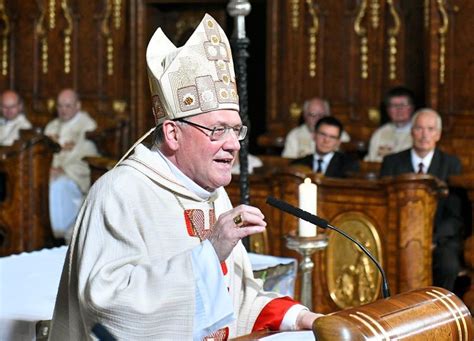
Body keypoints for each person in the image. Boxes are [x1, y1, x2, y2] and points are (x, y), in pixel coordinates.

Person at [49, 14, 322, 340]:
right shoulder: (121, 193)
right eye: (217, 129)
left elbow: (234, 297)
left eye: (236, 130)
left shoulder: (214, 194)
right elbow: (107, 308)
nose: (234, 144)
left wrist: (301, 318)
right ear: (172, 133)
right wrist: (210, 252)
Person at [380, 108, 464, 291]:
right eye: (419, 128)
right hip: (397, 238)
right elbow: (383, 210)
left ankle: (437, 312)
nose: (424, 134)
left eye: (430, 129)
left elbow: (455, 215)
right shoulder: (392, 162)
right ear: (411, 132)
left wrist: (431, 240)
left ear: (438, 134)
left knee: (448, 265)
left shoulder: (451, 164)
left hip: (439, 239)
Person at [44, 88, 98, 241]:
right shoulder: (52, 126)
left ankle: (58, 232)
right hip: (50, 172)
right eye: (60, 106)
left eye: (67, 106)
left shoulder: (87, 127)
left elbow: (88, 154)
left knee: (58, 186)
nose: (63, 110)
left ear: (78, 106)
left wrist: (63, 170)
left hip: (73, 177)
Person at [281, 97, 350, 158]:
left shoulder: (340, 135)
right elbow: (288, 161)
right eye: (313, 114)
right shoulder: (294, 135)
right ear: (305, 116)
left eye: (321, 115)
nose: (317, 119)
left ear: (328, 115)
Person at [291, 116, 359, 177]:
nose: (326, 140)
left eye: (332, 137)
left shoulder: (348, 166)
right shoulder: (298, 164)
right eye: (322, 134)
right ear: (314, 135)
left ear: (338, 142)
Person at [365, 86, 416, 162]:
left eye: (403, 105)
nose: (399, 110)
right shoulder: (380, 133)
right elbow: (370, 160)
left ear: (412, 108)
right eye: (394, 106)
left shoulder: (419, 132)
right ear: (388, 110)